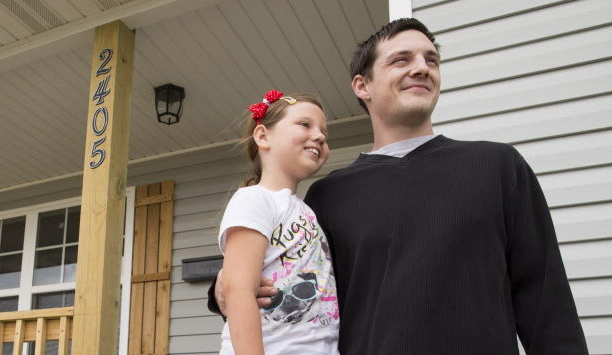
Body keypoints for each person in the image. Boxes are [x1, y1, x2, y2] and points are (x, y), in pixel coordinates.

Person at [208, 18, 589, 354]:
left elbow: (545, 301)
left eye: (431, 60)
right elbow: (293, 275)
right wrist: (221, 289)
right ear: (362, 86)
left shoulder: (498, 167)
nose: (422, 68)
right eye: (401, 60)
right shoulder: (328, 196)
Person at [217, 90, 338, 354]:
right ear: (262, 136)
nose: (319, 136)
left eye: (324, 134)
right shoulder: (254, 199)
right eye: (305, 124)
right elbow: (238, 291)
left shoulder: (307, 211)